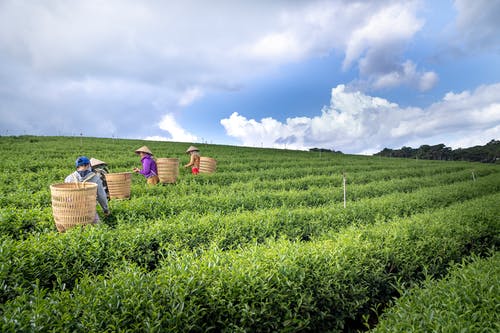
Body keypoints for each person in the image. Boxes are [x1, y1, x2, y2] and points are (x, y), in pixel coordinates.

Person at [65, 156, 110, 223]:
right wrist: (105, 209)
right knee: (97, 228)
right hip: (89, 210)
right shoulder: (95, 178)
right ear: (89, 165)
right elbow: (101, 197)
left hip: (71, 211)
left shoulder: (69, 178)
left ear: (77, 166)